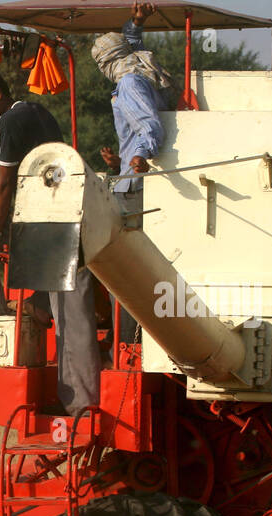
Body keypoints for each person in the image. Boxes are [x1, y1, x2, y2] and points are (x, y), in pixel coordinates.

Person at [0, 65, 100, 415]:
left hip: (56, 231)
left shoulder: (8, 122)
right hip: (45, 221)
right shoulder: (35, 111)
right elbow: (32, 173)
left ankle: (81, 407)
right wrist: (0, 184)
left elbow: (5, 186)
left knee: (71, 323)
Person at [92, 3, 174, 343]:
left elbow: (150, 128)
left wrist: (138, 156)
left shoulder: (129, 84)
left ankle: (126, 342)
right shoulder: (144, 73)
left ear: (108, 63)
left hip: (132, 189)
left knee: (122, 269)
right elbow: (132, 45)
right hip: (132, 178)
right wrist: (137, 23)